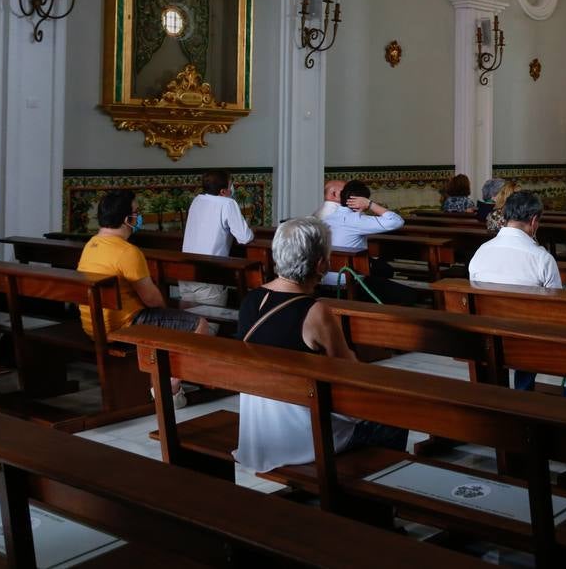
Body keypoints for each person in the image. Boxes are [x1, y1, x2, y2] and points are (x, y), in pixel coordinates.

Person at [233, 217, 407, 473]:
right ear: (321, 265)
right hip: (303, 439)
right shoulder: (316, 312)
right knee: (396, 414)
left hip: (259, 432)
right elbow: (350, 373)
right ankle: (373, 492)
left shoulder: (252, 299)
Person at [77, 190, 210, 408]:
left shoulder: (91, 245)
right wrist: (170, 310)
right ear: (126, 219)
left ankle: (160, 379)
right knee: (199, 325)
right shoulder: (127, 252)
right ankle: (170, 389)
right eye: (136, 212)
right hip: (122, 325)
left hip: (92, 324)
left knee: (172, 319)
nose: (139, 217)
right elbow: (151, 300)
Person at [468, 190, 566, 398]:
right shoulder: (541, 258)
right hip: (527, 339)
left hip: (487, 337)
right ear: (533, 221)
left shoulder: (481, 252)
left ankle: (522, 393)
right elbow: (556, 307)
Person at [180, 170, 255, 307]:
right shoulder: (227, 203)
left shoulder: (197, 200)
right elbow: (245, 237)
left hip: (186, 273)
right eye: (231, 184)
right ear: (223, 191)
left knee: (188, 326)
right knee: (208, 327)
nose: (232, 188)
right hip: (209, 275)